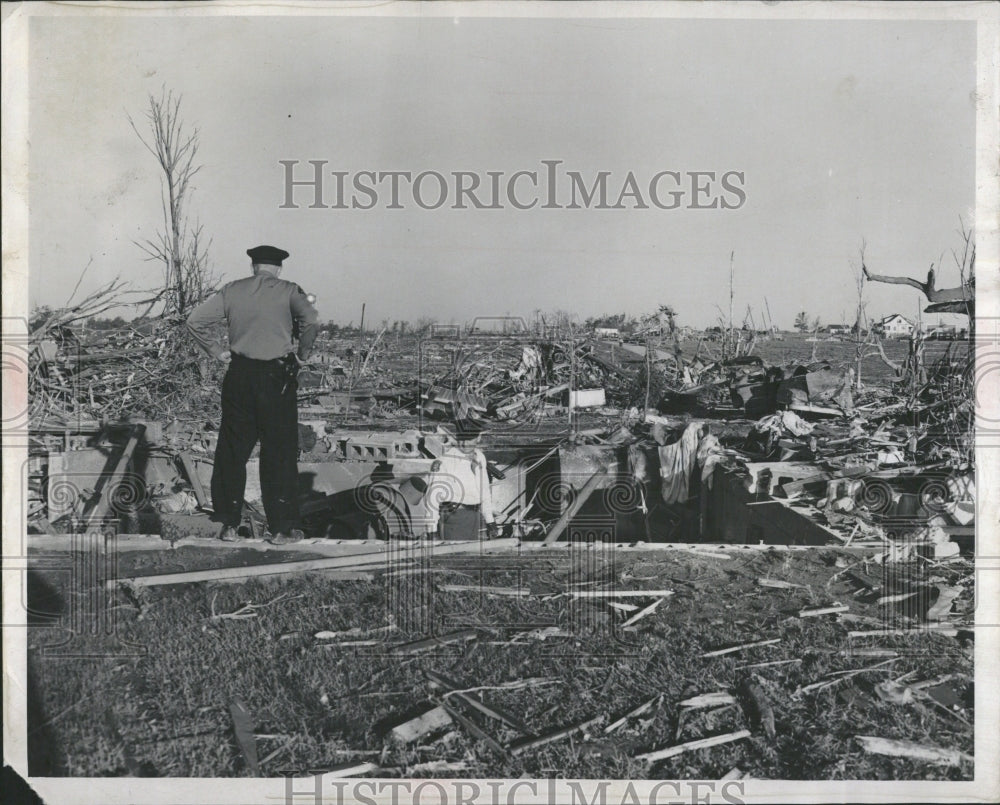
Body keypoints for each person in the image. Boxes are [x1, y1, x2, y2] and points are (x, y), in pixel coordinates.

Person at [186, 244, 319, 544]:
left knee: (232, 451)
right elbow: (311, 321)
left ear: (253, 266)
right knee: (279, 453)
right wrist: (304, 354)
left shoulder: (232, 290)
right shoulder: (289, 290)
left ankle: (228, 524)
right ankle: (282, 529)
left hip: (239, 376)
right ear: (279, 268)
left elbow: (194, 321)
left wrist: (216, 351)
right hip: (276, 379)